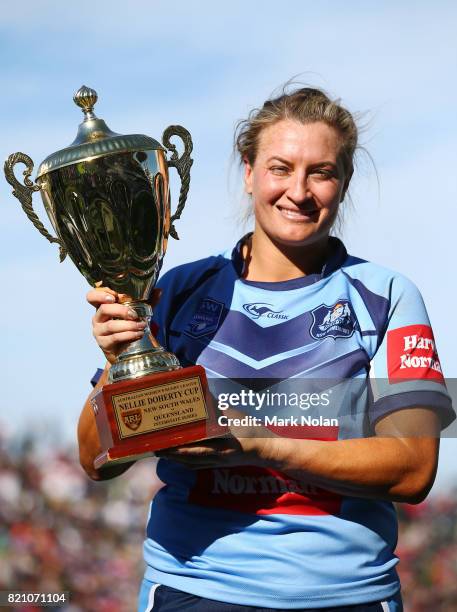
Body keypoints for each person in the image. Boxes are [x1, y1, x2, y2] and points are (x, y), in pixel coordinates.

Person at [78, 87, 454, 612]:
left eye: (321, 172)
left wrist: (261, 445)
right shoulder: (177, 292)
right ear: (249, 171)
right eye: (281, 167)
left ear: (343, 184)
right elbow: (97, 462)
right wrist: (123, 361)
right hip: (194, 589)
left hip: (347, 595)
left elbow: (414, 470)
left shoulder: (388, 296)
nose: (298, 191)